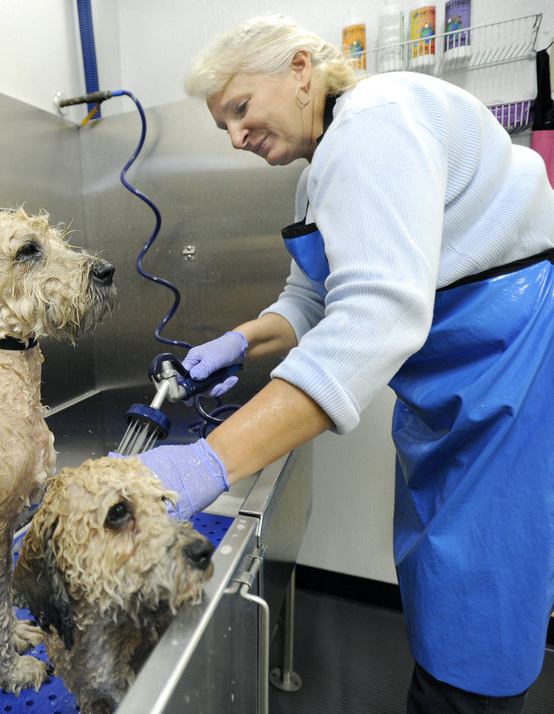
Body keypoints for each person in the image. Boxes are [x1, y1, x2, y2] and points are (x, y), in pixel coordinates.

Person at [127, 14, 554, 714]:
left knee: (484, 586)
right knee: (439, 564)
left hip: (508, 367)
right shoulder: (320, 172)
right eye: (222, 128)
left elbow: (374, 318)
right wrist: (240, 340)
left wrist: (207, 462)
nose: (236, 137)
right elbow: (310, 302)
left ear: (301, 71)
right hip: (449, 389)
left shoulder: (377, 123)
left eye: (239, 109)